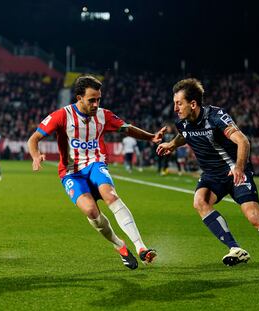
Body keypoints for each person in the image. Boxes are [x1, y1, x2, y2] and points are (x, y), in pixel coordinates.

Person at [157, 78, 259, 280]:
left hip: (233, 171)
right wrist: (172, 144)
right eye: (174, 103)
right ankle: (235, 248)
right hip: (212, 176)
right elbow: (185, 134)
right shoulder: (182, 122)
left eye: (179, 103)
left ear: (193, 104)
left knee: (253, 216)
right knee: (200, 201)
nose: (175, 108)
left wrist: (239, 167)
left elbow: (242, 140)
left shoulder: (216, 116)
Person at [28, 75, 165, 270]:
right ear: (79, 98)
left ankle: (141, 247)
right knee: (92, 211)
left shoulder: (104, 115)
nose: (96, 104)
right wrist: (35, 156)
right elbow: (33, 139)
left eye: (98, 99)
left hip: (95, 164)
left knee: (110, 195)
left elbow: (126, 129)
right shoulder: (61, 116)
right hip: (71, 173)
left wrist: (151, 137)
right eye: (91, 99)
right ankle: (120, 246)